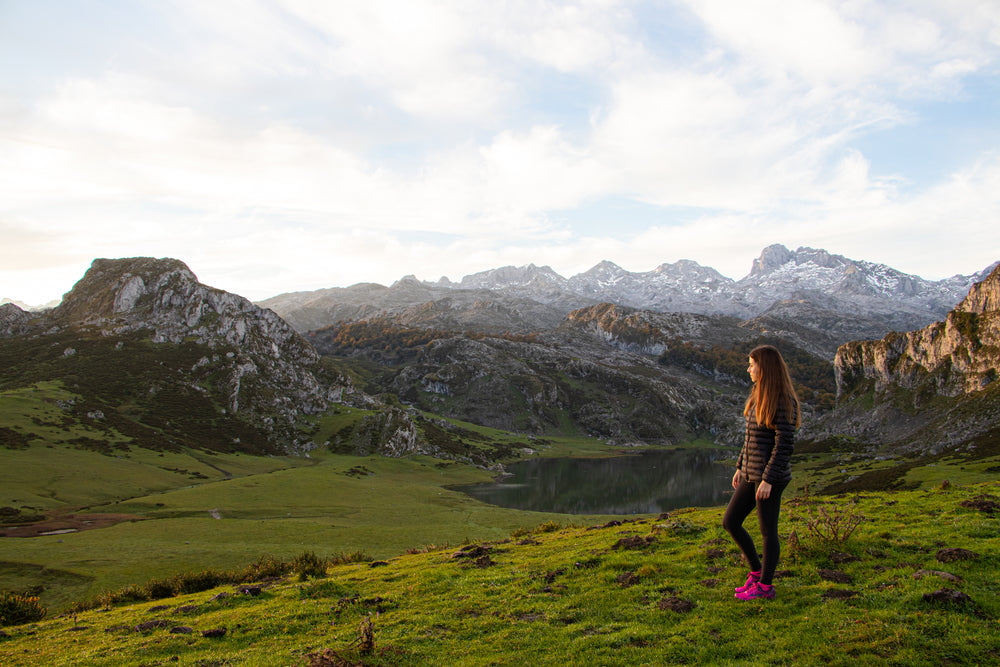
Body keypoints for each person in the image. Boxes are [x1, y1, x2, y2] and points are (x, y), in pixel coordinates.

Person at [723, 344, 800, 601]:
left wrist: (768, 479)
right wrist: (739, 466)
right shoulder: (758, 394)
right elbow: (751, 438)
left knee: (768, 532)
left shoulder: (783, 400)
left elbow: (784, 445)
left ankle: (765, 587)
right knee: (731, 521)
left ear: (764, 367)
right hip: (750, 472)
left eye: (752, 364)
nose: (749, 369)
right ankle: (756, 572)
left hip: (769, 478)